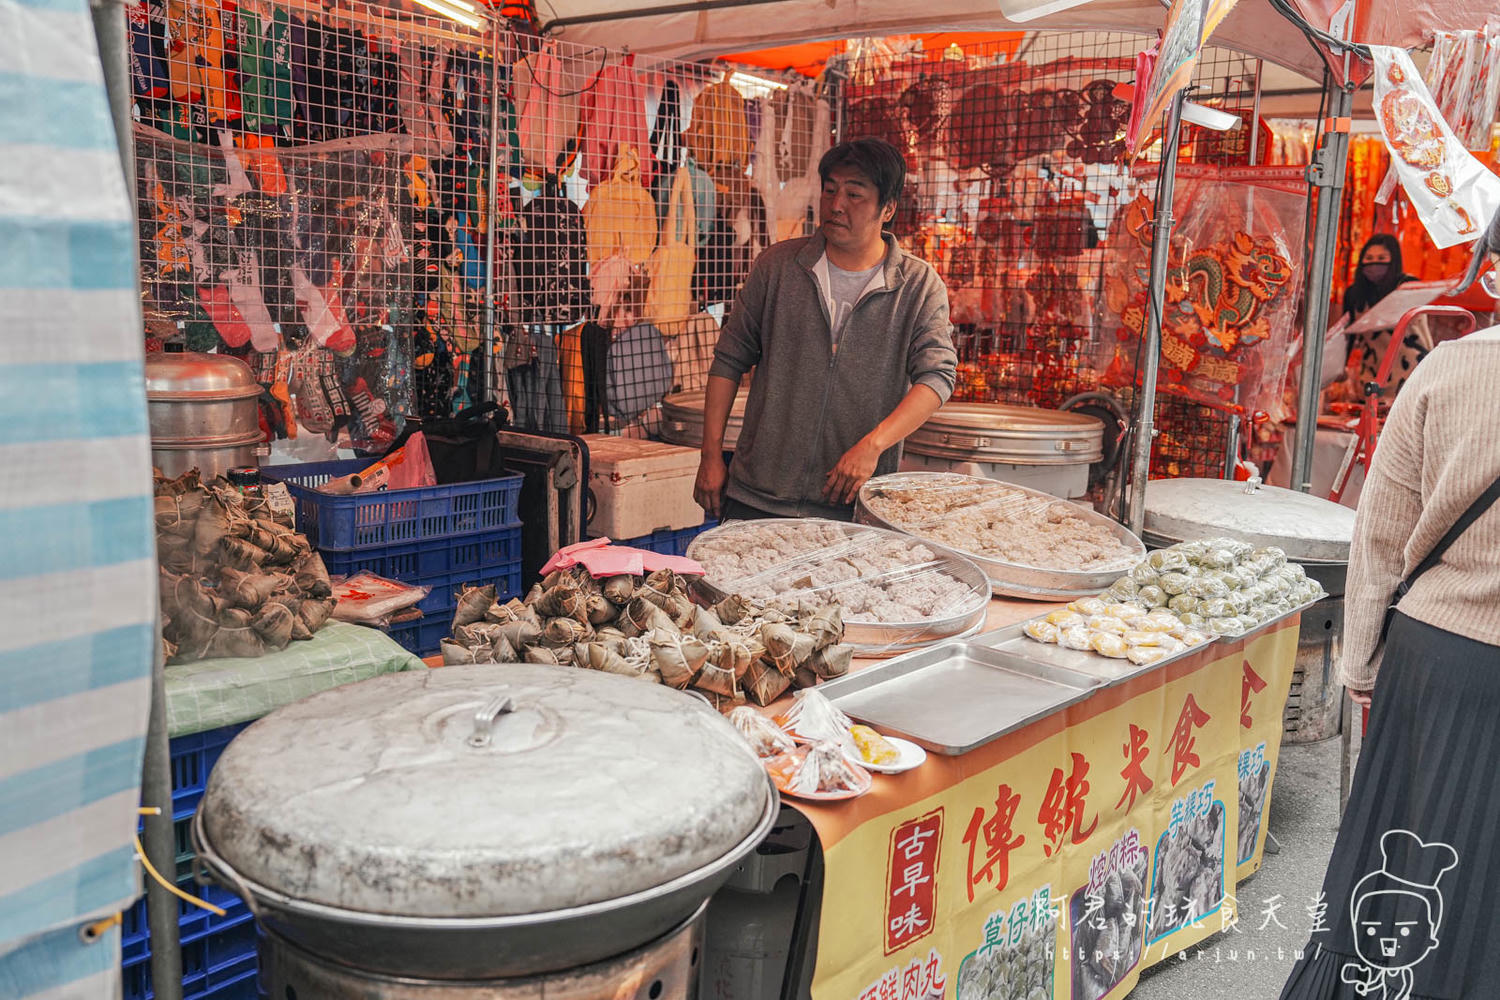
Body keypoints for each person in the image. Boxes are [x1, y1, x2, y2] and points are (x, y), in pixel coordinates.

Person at [1279, 207, 1500, 999]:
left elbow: (1382, 531)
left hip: (1435, 652)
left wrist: (1361, 659)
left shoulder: (1448, 369)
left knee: (1399, 861)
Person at [693, 137, 957, 521]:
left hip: (851, 505)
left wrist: (873, 445)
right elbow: (728, 360)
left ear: (887, 209)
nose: (836, 205)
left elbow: (937, 377)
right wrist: (710, 455)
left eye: (855, 194)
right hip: (758, 495)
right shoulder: (779, 267)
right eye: (830, 190)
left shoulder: (917, 286)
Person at [1336, 234, 1429, 401]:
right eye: (1369, 258)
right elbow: (1347, 335)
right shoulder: (1355, 293)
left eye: (1381, 258)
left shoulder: (1408, 285)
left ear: (1393, 260)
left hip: (1410, 370)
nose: (1374, 263)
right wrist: (1339, 365)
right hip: (1373, 373)